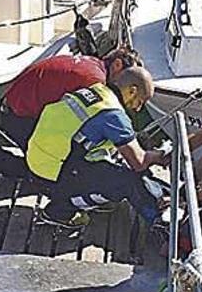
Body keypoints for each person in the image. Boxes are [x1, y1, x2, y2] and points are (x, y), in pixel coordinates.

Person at [25, 66, 170, 228]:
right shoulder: (113, 115)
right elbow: (139, 162)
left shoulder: (96, 91)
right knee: (127, 181)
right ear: (132, 91)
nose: (138, 108)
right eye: (141, 101)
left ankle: (154, 196)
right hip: (53, 178)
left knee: (125, 158)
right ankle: (59, 211)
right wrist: (161, 155)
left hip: (39, 162)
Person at [0, 47, 142, 177]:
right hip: (20, 115)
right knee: (43, 173)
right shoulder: (95, 81)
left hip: (17, 106)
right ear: (117, 64)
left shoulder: (90, 64)